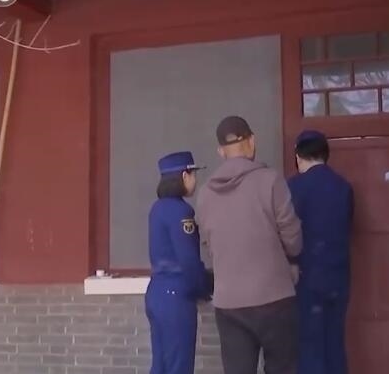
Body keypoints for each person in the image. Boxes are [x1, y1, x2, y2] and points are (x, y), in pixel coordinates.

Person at [196, 116, 303, 374]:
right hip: (274, 296)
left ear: (220, 151)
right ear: (252, 141)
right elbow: (293, 238)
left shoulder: (205, 193)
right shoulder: (271, 180)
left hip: (229, 301)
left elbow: (208, 245)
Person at [287, 130, 354, 374]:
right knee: (335, 343)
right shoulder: (343, 187)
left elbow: (287, 231)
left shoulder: (293, 187)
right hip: (338, 277)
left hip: (306, 277)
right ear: (326, 155)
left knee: (309, 348)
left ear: (298, 156)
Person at [145, 151, 212, 374]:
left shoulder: (157, 208)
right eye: (193, 174)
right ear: (184, 175)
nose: (195, 180)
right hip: (176, 295)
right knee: (179, 366)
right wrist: (203, 288)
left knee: (161, 365)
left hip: (157, 292)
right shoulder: (181, 211)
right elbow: (189, 260)